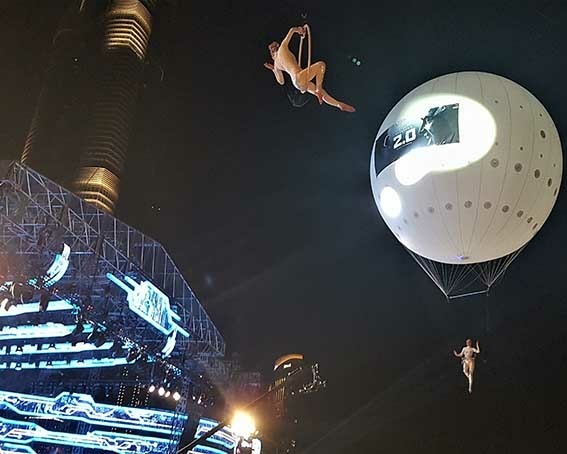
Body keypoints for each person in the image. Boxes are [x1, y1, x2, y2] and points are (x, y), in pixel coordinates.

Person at [264, 25, 356, 112]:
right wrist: (300, 30)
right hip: (299, 77)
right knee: (321, 65)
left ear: (272, 55)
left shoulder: (276, 65)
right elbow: (292, 30)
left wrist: (273, 70)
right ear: (277, 47)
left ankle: (338, 104)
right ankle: (319, 90)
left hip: (297, 83)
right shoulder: (282, 48)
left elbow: (281, 82)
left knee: (322, 93)